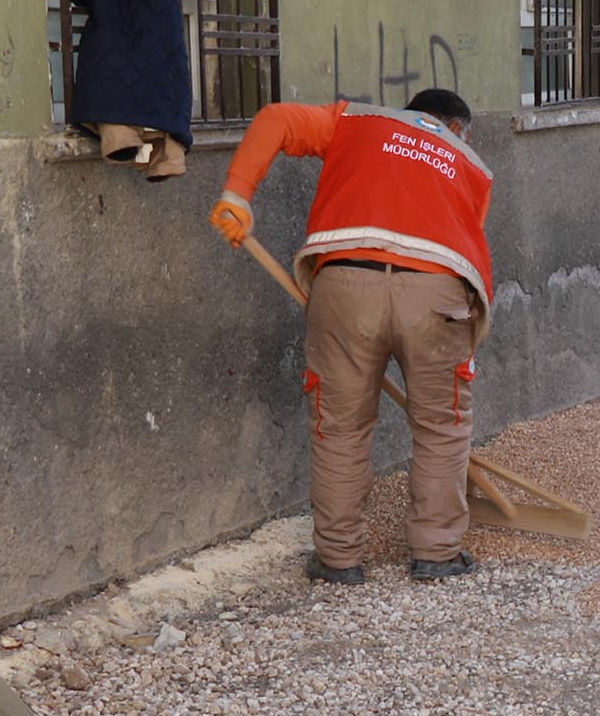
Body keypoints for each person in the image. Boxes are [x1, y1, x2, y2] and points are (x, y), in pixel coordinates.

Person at [208, 89, 496, 584]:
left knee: (339, 426)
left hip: (343, 282)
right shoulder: (468, 162)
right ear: (456, 128)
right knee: (441, 425)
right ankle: (436, 553)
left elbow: (276, 118)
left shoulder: (355, 120)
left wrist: (237, 194)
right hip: (435, 291)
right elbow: (463, 247)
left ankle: (339, 559)